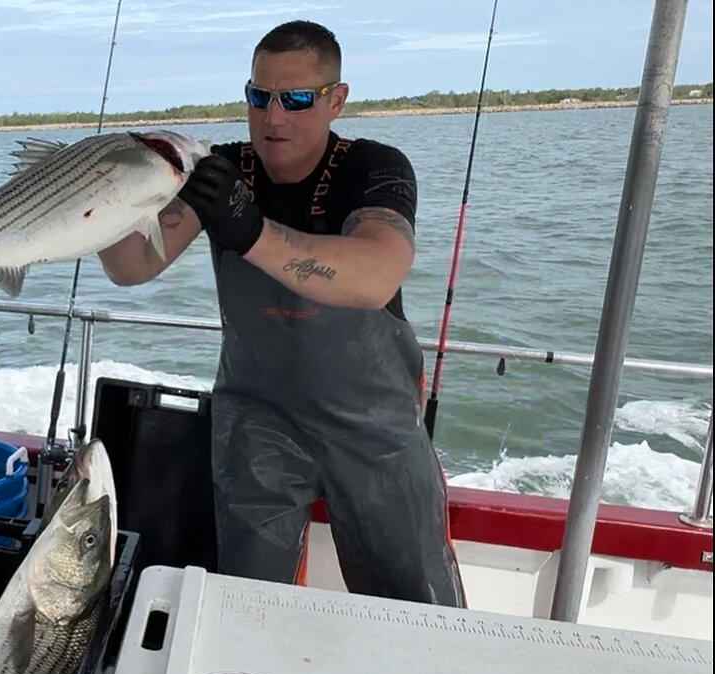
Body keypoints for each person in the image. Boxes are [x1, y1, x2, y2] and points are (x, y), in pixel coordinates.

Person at [98, 20, 466, 607]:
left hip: (372, 424)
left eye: (296, 99)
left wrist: (248, 230)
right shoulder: (219, 170)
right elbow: (132, 265)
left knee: (415, 606)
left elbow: (376, 274)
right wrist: (101, 195)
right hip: (256, 420)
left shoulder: (373, 167)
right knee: (246, 604)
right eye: (259, 97)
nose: (273, 118)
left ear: (336, 99)